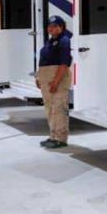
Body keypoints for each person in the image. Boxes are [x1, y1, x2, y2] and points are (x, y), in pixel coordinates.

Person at [36, 16, 72, 148]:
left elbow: (64, 64)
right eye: (49, 26)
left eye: (55, 26)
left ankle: (60, 138)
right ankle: (53, 135)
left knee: (58, 108)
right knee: (50, 108)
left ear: (61, 27)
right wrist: (38, 77)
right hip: (46, 78)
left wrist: (56, 82)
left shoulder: (64, 41)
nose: (51, 29)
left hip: (57, 78)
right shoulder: (50, 41)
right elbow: (44, 61)